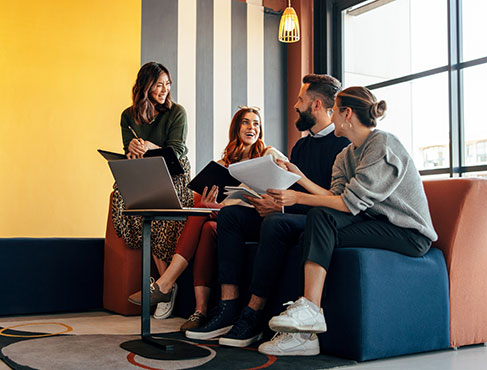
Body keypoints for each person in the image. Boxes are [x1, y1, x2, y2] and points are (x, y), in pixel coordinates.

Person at [259, 86, 437, 356]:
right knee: (312, 231)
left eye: (335, 110)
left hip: (408, 233)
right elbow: (336, 197)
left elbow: (347, 203)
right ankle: (305, 335)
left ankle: (309, 311)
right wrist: (300, 178)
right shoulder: (346, 155)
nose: (330, 116)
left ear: (347, 114)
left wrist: (297, 197)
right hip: (375, 222)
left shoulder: (382, 145)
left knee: (319, 220)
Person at [185, 74, 350, 351]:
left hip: (318, 220)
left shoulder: (342, 145)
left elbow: (334, 201)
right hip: (288, 211)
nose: (295, 105)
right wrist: (268, 200)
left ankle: (253, 315)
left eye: (301, 99)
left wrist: (282, 206)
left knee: (275, 223)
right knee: (230, 217)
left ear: (317, 105)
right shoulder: (301, 146)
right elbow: (286, 187)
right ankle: (228, 308)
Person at [128, 106, 287, 328]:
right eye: (246, 122)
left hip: (259, 219)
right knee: (203, 215)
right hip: (228, 221)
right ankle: (199, 311)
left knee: (206, 214)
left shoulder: (268, 154)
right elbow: (212, 203)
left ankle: (165, 284)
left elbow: (287, 183)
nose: (252, 127)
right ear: (236, 129)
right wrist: (210, 205)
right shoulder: (223, 165)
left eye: (256, 123)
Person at [112, 62, 193, 314]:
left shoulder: (177, 112)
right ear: (145, 86)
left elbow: (177, 151)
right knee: (123, 197)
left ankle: (163, 288)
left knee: (157, 210)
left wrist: (149, 146)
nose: (164, 89)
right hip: (144, 170)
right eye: (159, 84)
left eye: (167, 84)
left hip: (173, 172)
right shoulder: (128, 115)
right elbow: (128, 148)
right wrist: (133, 150)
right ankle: (165, 286)